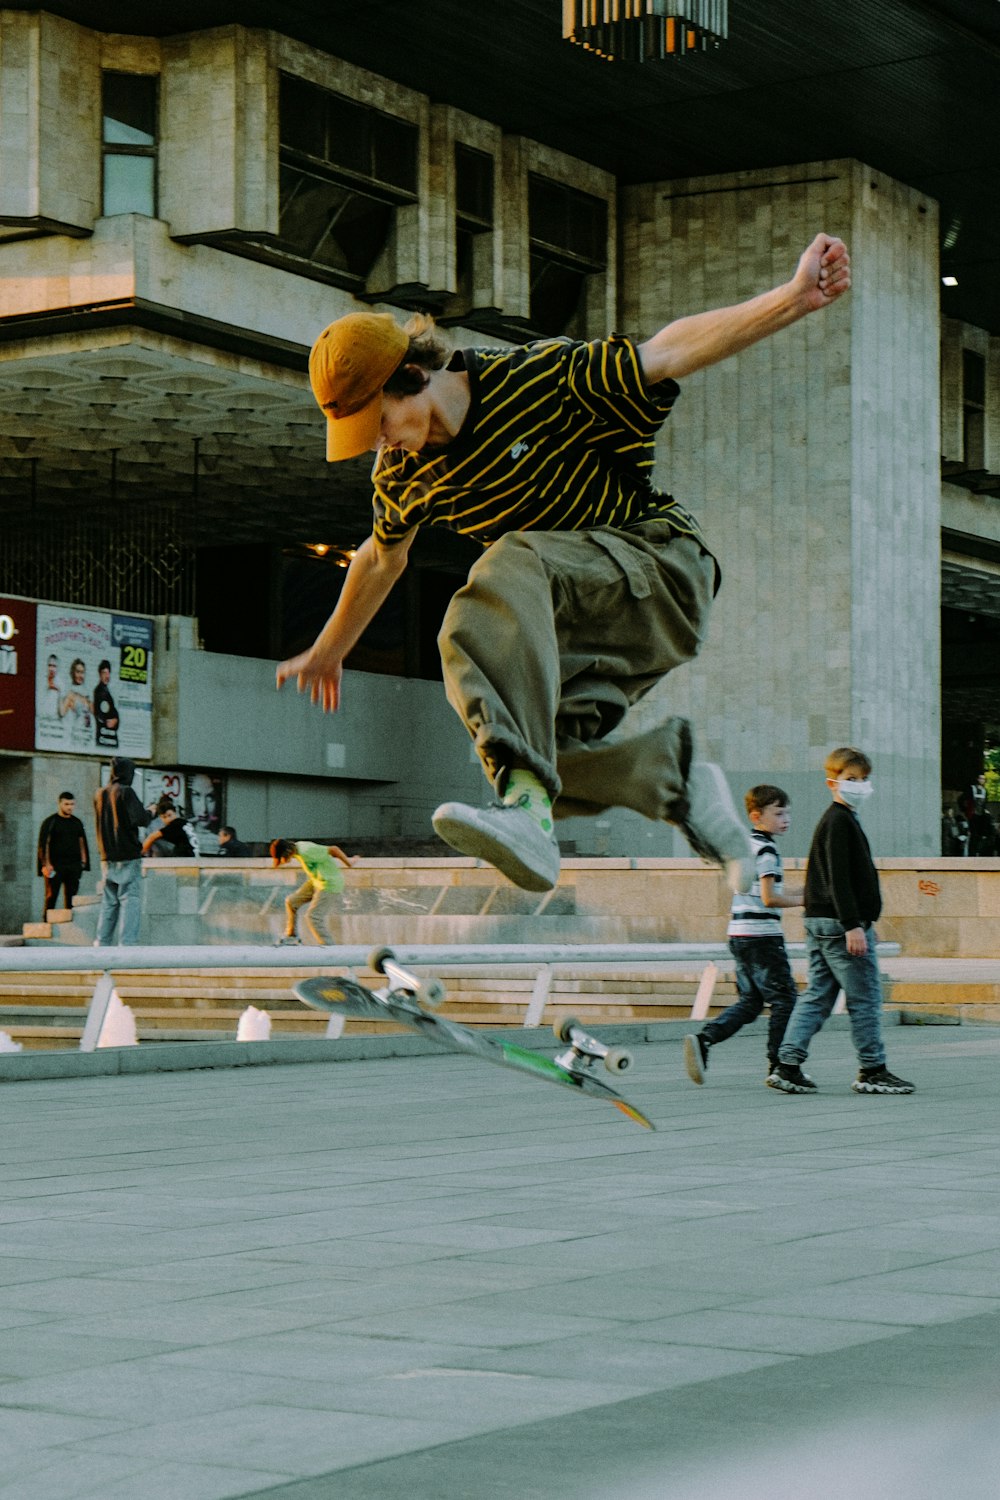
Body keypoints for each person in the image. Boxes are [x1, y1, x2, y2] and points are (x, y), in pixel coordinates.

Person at [276, 234, 851, 895]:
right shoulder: (403, 477)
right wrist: (328, 650)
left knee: (498, 575)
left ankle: (524, 814)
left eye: (378, 423)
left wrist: (793, 299)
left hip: (657, 569)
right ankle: (673, 777)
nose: (382, 446)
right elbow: (381, 558)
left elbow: (663, 353)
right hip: (579, 620)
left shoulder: (536, 378)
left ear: (411, 376)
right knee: (534, 748)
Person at [768, 747, 915, 1095]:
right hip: (839, 924)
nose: (860, 785)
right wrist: (853, 924)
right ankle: (872, 1069)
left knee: (818, 995)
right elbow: (839, 878)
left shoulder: (839, 820)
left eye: (864, 779)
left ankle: (787, 1065)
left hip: (821, 921)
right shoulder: (839, 821)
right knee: (865, 997)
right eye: (851, 779)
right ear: (832, 782)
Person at [684, 784, 804, 1087]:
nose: (786, 818)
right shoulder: (766, 850)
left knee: (751, 1002)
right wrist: (807, 897)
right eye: (778, 813)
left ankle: (705, 1039)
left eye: (788, 812)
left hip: (739, 934)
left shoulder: (744, 845)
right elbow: (769, 898)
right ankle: (779, 1066)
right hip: (763, 937)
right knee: (785, 999)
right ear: (756, 816)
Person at [93, 757, 154, 946]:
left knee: (109, 902)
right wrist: (151, 811)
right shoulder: (126, 792)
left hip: (106, 856)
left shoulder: (99, 794)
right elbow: (141, 819)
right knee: (130, 899)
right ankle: (127, 945)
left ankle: (101, 943)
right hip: (127, 854)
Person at [270, 838, 358, 945]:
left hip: (329, 884)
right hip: (316, 881)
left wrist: (349, 863)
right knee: (291, 902)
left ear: (287, 852)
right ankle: (291, 936)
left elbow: (334, 849)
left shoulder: (307, 851)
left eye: (282, 858)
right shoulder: (296, 849)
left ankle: (329, 948)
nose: (283, 862)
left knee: (313, 917)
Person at [36, 791, 90, 921]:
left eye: (72, 804)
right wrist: (46, 864)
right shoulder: (50, 822)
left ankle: (69, 926)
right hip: (55, 866)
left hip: (73, 865)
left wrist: (83, 862)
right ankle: (46, 923)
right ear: (60, 803)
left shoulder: (77, 822)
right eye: (66, 804)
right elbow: (44, 844)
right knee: (51, 896)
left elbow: (82, 841)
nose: (70, 807)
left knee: (71, 897)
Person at [59, 657, 93, 736]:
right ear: (73, 673)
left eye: (82, 672)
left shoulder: (87, 693)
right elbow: (62, 713)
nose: (80, 675)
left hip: (88, 735)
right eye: (78, 672)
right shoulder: (70, 693)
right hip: (77, 734)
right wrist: (59, 694)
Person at [93, 659, 120, 749]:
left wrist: (116, 719)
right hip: (104, 736)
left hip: (108, 736)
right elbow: (101, 713)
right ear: (100, 674)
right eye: (104, 673)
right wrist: (112, 720)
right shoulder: (99, 692)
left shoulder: (106, 691)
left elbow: (112, 710)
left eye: (108, 673)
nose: (107, 676)